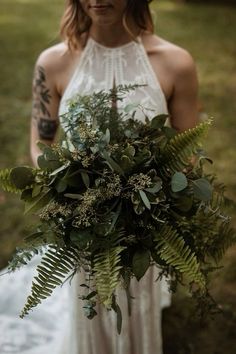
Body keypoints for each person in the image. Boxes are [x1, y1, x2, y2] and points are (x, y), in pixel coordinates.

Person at [1, 1, 199, 354]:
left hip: (145, 219)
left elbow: (188, 149)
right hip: (83, 218)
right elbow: (41, 140)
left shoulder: (175, 63)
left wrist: (157, 196)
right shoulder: (53, 62)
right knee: (88, 306)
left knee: (137, 299)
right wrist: (62, 184)